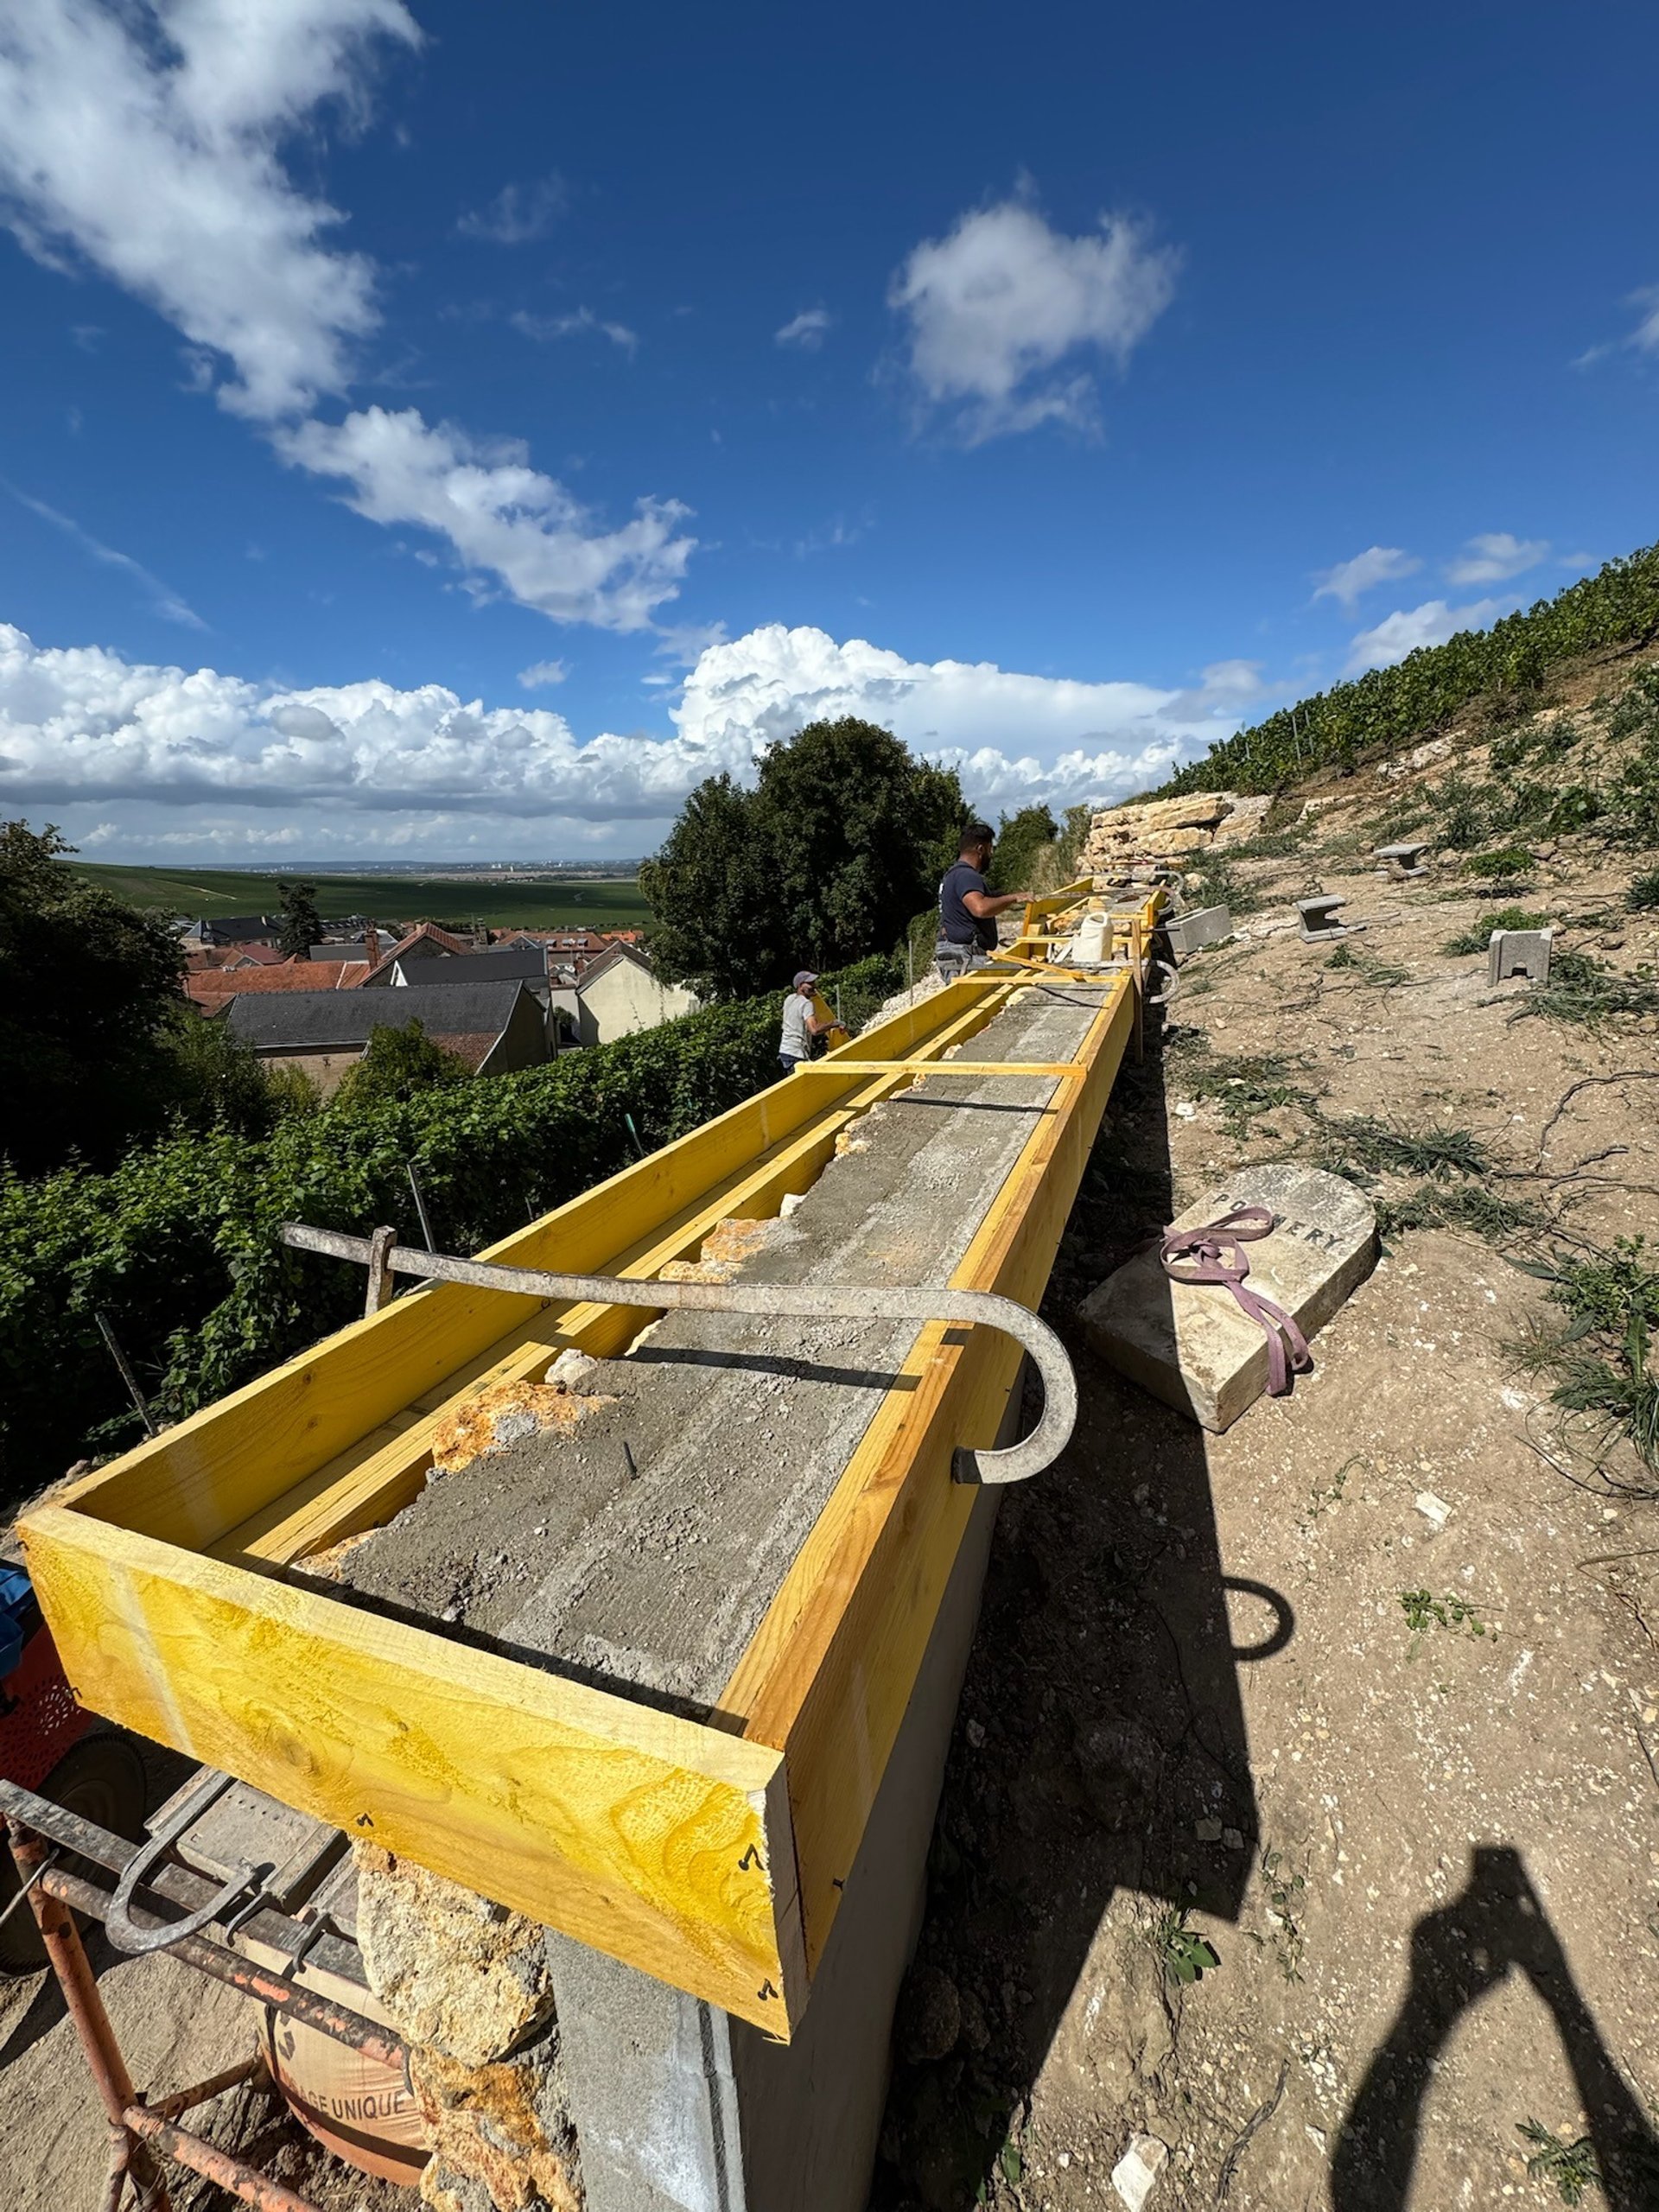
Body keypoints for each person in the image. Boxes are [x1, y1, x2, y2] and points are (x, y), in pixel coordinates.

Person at [936, 823, 1032, 978]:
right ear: (980, 849)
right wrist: (1013, 898)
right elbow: (980, 908)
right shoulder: (967, 876)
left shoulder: (953, 875)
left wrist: (999, 897)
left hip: (955, 952)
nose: (991, 854)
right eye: (990, 849)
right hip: (965, 955)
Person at [778, 968, 831, 1076]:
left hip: (785, 1050)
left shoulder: (789, 999)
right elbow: (814, 1030)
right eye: (810, 983)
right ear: (800, 986)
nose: (814, 986)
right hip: (796, 1053)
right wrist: (834, 1024)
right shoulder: (807, 1004)